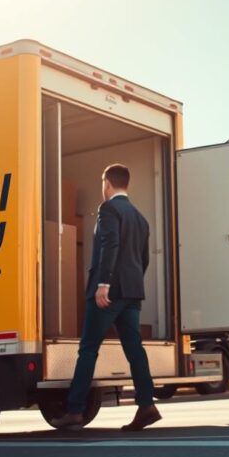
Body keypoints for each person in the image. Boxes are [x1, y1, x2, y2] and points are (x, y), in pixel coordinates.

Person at [51, 164, 160, 431]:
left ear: (107, 183)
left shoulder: (108, 209)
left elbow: (110, 244)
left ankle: (75, 411)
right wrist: (131, 284)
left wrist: (104, 283)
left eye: (103, 183)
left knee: (89, 348)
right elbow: (143, 259)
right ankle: (147, 405)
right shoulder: (140, 218)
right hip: (132, 292)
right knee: (134, 349)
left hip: (109, 293)